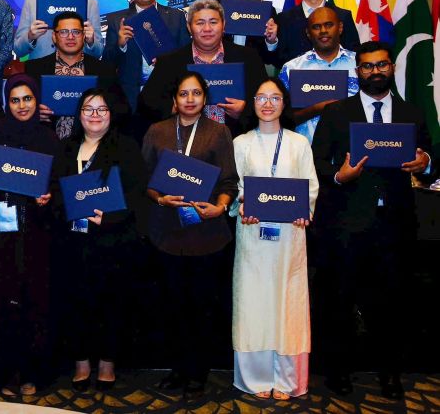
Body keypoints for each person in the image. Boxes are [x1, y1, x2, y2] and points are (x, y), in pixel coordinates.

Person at [311, 41, 433, 400]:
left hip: (394, 224)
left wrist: (425, 162)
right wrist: (339, 175)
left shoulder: (412, 113)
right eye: (367, 66)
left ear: (392, 67)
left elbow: (432, 159)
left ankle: (390, 374)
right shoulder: (337, 113)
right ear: (358, 71)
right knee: (340, 301)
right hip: (346, 224)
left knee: (391, 303)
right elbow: (317, 161)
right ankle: (339, 372)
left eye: (381, 65)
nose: (374, 71)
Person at [141, 71, 238, 398]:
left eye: (196, 93)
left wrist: (220, 207)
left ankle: (198, 372)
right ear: (175, 98)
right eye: (184, 93)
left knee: (202, 308)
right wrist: (160, 199)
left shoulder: (218, 132)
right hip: (167, 234)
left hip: (206, 235)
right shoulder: (157, 131)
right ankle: (177, 368)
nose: (190, 99)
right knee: (172, 308)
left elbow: (229, 181)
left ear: (205, 98)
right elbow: (145, 181)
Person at [0, 73, 60, 395]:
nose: (22, 106)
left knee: (34, 301)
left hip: (36, 234)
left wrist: (49, 196)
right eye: (15, 100)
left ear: (37, 101)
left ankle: (31, 373)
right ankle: (3, 373)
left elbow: (59, 183)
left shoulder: (49, 139)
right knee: (1, 300)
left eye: (28, 99)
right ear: (6, 103)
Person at [51, 88, 145, 391]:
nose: (95, 115)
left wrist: (111, 217)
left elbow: (136, 193)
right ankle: (81, 363)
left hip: (112, 240)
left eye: (101, 109)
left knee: (110, 302)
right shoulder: (65, 148)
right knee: (76, 302)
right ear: (79, 114)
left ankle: (107, 363)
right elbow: (54, 190)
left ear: (111, 114)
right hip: (73, 241)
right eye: (88, 109)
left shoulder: (126, 147)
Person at [231, 77, 318, 399]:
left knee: (288, 303)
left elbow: (310, 186)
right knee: (253, 303)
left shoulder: (299, 143)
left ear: (284, 103)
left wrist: (304, 210)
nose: (267, 104)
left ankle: (287, 379)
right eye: (261, 97)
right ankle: (255, 378)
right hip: (252, 233)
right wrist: (242, 204)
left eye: (275, 97)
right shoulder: (240, 143)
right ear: (252, 103)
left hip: (290, 237)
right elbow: (234, 186)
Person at [138, 0, 267, 137]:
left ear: (223, 25)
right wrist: (177, 106)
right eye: (200, 23)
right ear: (189, 27)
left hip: (237, 140)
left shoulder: (248, 58)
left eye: (213, 22)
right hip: (183, 141)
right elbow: (146, 104)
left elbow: (267, 99)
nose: (207, 29)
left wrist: (244, 111)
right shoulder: (169, 62)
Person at [102, 0, 191, 112]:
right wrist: (120, 44)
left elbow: (187, 56)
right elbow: (107, 64)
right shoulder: (116, 20)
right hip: (130, 101)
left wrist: (168, 60)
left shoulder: (176, 16)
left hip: (168, 96)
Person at [24, 11, 120, 139]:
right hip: (44, 141)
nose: (70, 37)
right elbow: (20, 108)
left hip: (91, 142)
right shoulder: (34, 69)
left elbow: (121, 109)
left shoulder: (104, 70)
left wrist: (102, 112)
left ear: (84, 35)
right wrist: (32, 112)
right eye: (63, 32)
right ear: (54, 37)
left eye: (76, 32)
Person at [277, 6, 359, 142]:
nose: (323, 31)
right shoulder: (292, 68)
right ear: (308, 33)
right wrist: (316, 109)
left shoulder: (360, 64)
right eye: (316, 27)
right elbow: (279, 118)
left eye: (329, 25)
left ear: (340, 28)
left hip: (352, 148)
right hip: (305, 150)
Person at [275, 0, 359, 66]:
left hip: (336, 75)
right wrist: (272, 42)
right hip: (297, 75)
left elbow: (354, 54)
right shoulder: (284, 19)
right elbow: (278, 59)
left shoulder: (342, 16)